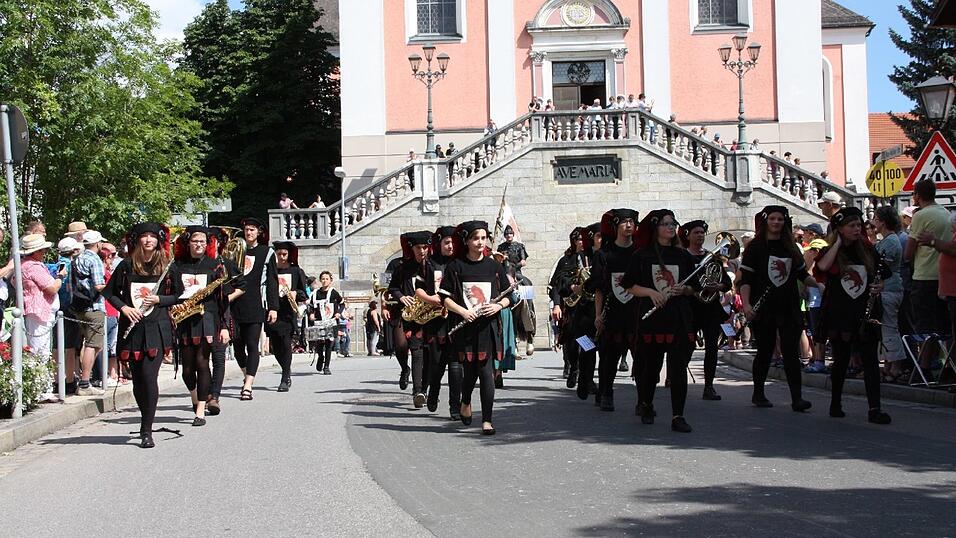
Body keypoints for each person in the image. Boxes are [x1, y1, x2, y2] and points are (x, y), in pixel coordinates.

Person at [624, 210, 700, 433]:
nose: (671, 227)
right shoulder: (642, 255)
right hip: (653, 319)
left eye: (673, 223)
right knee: (651, 368)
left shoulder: (683, 256)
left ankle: (678, 416)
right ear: (655, 228)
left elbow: (695, 287)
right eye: (666, 224)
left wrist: (684, 288)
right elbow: (628, 285)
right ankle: (646, 404)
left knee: (678, 369)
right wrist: (649, 292)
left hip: (678, 317)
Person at [102, 223, 177, 448]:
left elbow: (178, 295)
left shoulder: (168, 266)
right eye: (144, 237)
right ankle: (146, 419)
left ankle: (147, 429)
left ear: (158, 241)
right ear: (137, 241)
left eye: (151, 237)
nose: (147, 241)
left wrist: (159, 300)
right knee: (137, 381)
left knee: (148, 376)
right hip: (132, 328)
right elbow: (109, 293)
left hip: (156, 328)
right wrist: (124, 308)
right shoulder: (125, 265)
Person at [815, 207, 892, 424]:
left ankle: (874, 408)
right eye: (852, 226)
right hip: (840, 313)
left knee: (870, 361)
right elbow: (822, 267)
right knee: (840, 360)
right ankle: (835, 402)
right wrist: (838, 242)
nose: (857, 229)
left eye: (859, 225)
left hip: (864, 312)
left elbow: (883, 273)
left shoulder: (867, 250)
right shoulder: (830, 251)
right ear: (840, 229)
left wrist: (880, 285)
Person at [739, 206, 818, 411]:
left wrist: (818, 285)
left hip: (788, 305)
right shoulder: (755, 248)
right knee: (765, 352)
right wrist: (746, 305)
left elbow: (802, 274)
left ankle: (797, 399)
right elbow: (745, 280)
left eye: (780, 219)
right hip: (763, 308)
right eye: (773, 219)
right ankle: (758, 393)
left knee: (791, 353)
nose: (776, 223)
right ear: (766, 221)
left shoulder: (790, 247)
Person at [440, 221, 511, 435]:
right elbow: (445, 299)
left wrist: (497, 305)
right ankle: (465, 401)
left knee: (487, 372)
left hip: (488, 327)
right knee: (469, 372)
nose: (480, 242)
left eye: (483, 238)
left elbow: (509, 296)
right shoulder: (456, 266)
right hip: (466, 328)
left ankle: (487, 420)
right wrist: (463, 311)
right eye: (475, 238)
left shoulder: (493, 266)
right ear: (467, 241)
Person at [170, 227, 231, 426]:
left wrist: (224, 326)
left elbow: (223, 300)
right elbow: (171, 292)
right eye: (195, 241)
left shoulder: (215, 266)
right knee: (187, 369)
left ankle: (200, 411)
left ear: (208, 244)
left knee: (202, 362)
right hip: (185, 319)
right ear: (188, 243)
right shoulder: (177, 266)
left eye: (202, 242)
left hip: (207, 320)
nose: (199, 245)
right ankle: (195, 396)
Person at [589, 208, 639, 411]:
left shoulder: (640, 252)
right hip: (613, 311)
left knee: (642, 359)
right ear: (616, 225)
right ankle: (606, 392)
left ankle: (644, 400)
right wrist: (598, 315)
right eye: (625, 222)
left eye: (632, 222)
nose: (629, 226)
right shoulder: (604, 254)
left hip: (636, 310)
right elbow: (600, 288)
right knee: (609, 357)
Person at [679, 220, 732, 400]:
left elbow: (727, 283)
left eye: (702, 232)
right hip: (690, 307)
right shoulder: (682, 257)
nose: (700, 236)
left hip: (710, 308)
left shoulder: (712, 258)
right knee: (687, 346)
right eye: (696, 233)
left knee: (712, 348)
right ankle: (676, 378)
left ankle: (709, 386)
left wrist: (717, 286)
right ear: (688, 235)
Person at [905, 179, 953, 376]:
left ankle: (923, 368)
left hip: (924, 276)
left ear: (917, 195)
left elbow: (908, 252)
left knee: (925, 327)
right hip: (943, 277)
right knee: (945, 326)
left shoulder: (921, 216)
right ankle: (949, 366)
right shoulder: (946, 214)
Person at [230, 217, 279, 401]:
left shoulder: (267, 252)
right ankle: (246, 376)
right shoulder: (235, 252)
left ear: (259, 232)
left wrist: (273, 307)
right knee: (237, 349)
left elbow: (273, 281)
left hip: (255, 304)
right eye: (246, 229)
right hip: (235, 304)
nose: (248, 233)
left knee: (252, 345)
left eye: (252, 230)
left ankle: (248, 385)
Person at [389, 231, 434, 408]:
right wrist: (401, 297)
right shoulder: (402, 267)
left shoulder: (433, 266)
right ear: (412, 249)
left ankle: (424, 389)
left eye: (424, 248)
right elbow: (392, 287)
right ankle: (415, 388)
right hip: (407, 313)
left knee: (428, 355)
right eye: (418, 248)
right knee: (405, 347)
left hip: (430, 314)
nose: (421, 251)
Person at [423, 226, 463, 419]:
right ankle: (434, 392)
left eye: (452, 242)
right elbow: (419, 288)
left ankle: (454, 406)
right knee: (437, 363)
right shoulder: (430, 264)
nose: (450, 246)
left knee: (456, 364)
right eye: (446, 242)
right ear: (439, 244)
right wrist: (432, 298)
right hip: (436, 319)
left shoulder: (461, 263)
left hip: (457, 318)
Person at [207, 226, 245, 415]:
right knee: (199, 360)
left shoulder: (226, 263)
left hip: (221, 315)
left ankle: (214, 396)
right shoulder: (196, 263)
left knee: (219, 357)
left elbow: (242, 286)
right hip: (199, 316)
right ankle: (203, 393)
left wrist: (226, 299)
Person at [548, 227, 592, 385]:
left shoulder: (592, 257)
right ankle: (573, 366)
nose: (580, 242)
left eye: (583, 239)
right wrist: (557, 305)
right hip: (571, 307)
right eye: (577, 239)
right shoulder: (566, 260)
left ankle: (587, 376)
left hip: (588, 307)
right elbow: (556, 284)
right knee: (571, 342)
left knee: (587, 342)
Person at [872, 206, 906, 381]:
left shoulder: (891, 242)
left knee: (889, 328)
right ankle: (888, 364)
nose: (873, 222)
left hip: (889, 289)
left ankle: (897, 366)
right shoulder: (886, 240)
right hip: (886, 289)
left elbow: (883, 268)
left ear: (883, 222)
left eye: (876, 219)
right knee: (884, 328)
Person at [71, 230, 108, 396]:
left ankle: (85, 380)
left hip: (79, 306)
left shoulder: (78, 258)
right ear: (98, 244)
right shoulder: (95, 260)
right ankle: (85, 382)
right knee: (93, 345)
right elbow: (98, 285)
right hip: (94, 306)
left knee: (90, 344)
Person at [270, 241, 308, 391]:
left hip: (288, 313)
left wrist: (296, 293)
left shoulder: (296, 271)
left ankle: (285, 376)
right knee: (276, 346)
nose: (281, 257)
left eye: (284, 254)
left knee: (286, 344)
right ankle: (286, 367)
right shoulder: (271, 270)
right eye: (279, 254)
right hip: (273, 311)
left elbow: (304, 293)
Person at [19, 234, 60, 365]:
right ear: (36, 251)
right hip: (39, 312)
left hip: (39, 311)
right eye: (43, 250)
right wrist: (60, 278)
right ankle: (41, 380)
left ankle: (42, 379)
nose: (44, 253)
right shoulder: (33, 266)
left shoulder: (24, 264)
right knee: (39, 349)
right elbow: (52, 288)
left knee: (41, 347)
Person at [307, 271, 342, 374]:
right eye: (323, 279)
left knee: (328, 344)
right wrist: (311, 314)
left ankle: (326, 366)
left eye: (327, 279)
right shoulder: (315, 293)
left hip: (330, 322)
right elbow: (310, 307)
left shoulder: (333, 292)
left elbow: (342, 303)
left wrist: (338, 313)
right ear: (320, 280)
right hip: (318, 322)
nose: (324, 281)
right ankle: (320, 357)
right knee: (318, 344)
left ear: (330, 280)